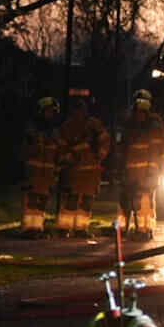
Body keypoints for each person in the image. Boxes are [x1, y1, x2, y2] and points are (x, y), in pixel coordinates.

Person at [55, 90, 111, 239]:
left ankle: (81, 228)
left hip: (90, 173)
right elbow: (61, 147)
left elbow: (104, 140)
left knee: (86, 201)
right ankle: (64, 228)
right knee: (71, 201)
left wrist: (101, 153)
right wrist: (66, 158)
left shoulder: (94, 125)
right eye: (77, 110)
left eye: (81, 110)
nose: (79, 113)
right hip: (74, 172)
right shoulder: (67, 127)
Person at [117, 88, 164, 241]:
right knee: (127, 201)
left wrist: (151, 173)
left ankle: (144, 230)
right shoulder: (131, 123)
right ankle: (122, 229)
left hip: (146, 173)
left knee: (144, 203)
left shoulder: (153, 124)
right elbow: (123, 148)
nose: (139, 112)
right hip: (132, 172)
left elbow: (157, 150)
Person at [18, 96, 63, 238]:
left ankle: (37, 228)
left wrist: (57, 168)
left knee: (42, 203)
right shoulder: (31, 129)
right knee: (31, 203)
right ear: (41, 111)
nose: (51, 114)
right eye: (49, 111)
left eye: (53, 112)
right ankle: (27, 229)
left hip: (47, 175)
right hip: (33, 173)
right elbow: (25, 151)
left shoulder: (54, 132)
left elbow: (58, 152)